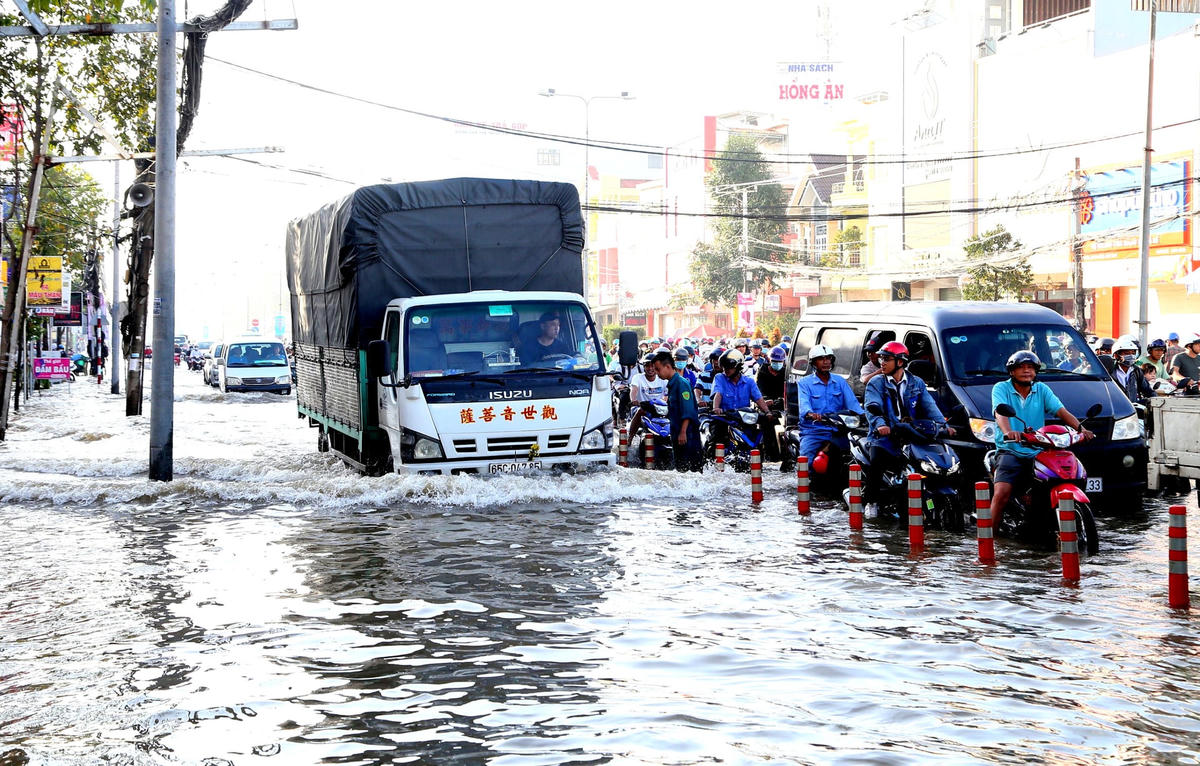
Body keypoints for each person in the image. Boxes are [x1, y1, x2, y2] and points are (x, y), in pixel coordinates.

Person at [989, 350, 1095, 529]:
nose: (1026, 371)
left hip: (1039, 449)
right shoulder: (1001, 388)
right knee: (1002, 493)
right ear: (1012, 371)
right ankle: (988, 538)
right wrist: (1008, 432)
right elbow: (1000, 412)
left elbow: (1061, 411)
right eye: (1021, 367)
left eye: (1030, 368)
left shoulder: (1042, 389)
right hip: (1011, 449)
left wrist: (1081, 430)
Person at [861, 341, 952, 515]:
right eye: (881, 358)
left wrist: (943, 425)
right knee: (877, 462)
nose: (882, 363)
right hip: (885, 437)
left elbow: (930, 406)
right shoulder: (876, 383)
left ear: (900, 362)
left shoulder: (916, 382)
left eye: (887, 359)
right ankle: (871, 503)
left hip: (912, 434)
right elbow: (872, 406)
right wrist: (881, 425)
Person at [794, 343, 863, 474]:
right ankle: (807, 489)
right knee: (805, 464)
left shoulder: (840, 381)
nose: (826, 362)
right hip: (814, 431)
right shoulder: (804, 383)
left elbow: (852, 403)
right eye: (821, 359)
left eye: (828, 358)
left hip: (838, 430)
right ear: (813, 363)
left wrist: (864, 415)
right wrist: (811, 414)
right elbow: (804, 405)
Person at [711, 349, 778, 460]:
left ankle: (773, 457)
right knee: (717, 438)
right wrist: (716, 408)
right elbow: (718, 394)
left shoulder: (749, 382)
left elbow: (759, 399)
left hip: (744, 420)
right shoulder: (720, 378)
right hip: (725, 419)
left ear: (738, 366)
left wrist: (767, 412)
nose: (726, 370)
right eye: (724, 367)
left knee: (766, 428)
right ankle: (714, 462)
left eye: (729, 367)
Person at [652, 350, 703, 472]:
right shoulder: (672, 384)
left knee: (690, 469)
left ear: (668, 366)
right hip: (678, 433)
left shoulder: (681, 384)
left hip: (687, 435)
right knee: (681, 469)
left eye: (658, 369)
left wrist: (683, 432)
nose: (656, 373)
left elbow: (688, 410)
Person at [628, 352, 669, 438]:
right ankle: (630, 437)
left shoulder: (663, 379)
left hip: (660, 408)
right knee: (640, 411)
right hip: (643, 407)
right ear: (644, 367)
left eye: (652, 366)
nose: (650, 368)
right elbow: (633, 390)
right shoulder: (637, 378)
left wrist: (665, 401)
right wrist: (634, 400)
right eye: (647, 365)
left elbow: (667, 394)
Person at [1112, 337, 1154, 405]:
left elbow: (1147, 390)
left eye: (1133, 353)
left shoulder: (1136, 370)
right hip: (1116, 410)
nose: (1131, 356)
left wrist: (1156, 400)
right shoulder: (1110, 372)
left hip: (1132, 410)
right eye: (1126, 353)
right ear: (1116, 355)